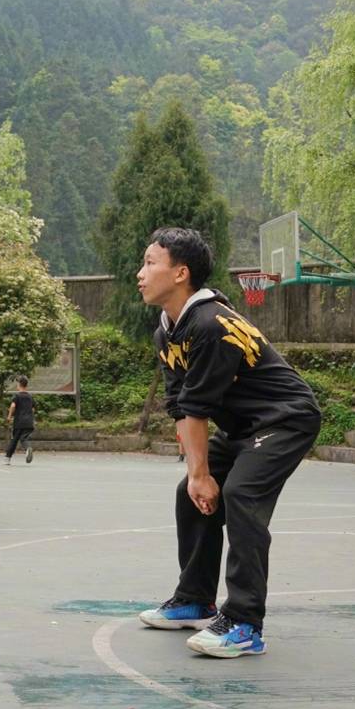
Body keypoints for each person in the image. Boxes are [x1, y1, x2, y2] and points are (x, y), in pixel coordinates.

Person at [133, 228, 320, 659]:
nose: (140, 273)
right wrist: (196, 476)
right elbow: (182, 407)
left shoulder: (210, 323)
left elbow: (197, 409)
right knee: (188, 492)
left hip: (286, 418)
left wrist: (203, 473)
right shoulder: (168, 331)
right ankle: (195, 598)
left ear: (181, 273)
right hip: (242, 428)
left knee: (241, 494)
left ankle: (244, 622)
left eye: (149, 263)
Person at [5, 375, 36, 465]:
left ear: (19, 384)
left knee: (14, 440)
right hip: (29, 422)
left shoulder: (17, 396)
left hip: (19, 422)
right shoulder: (30, 396)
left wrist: (9, 416)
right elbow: (33, 409)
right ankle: (27, 448)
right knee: (24, 438)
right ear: (26, 385)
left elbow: (13, 406)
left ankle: (7, 458)